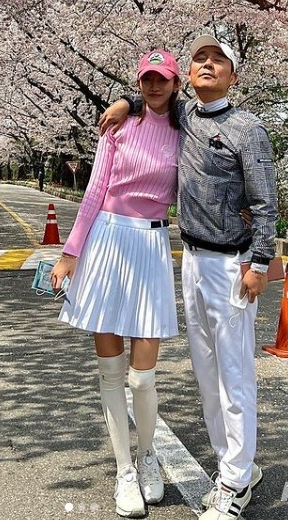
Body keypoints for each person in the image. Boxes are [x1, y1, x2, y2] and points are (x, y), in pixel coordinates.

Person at [100, 35, 277, 520]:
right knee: (206, 373)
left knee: (235, 375)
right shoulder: (185, 117)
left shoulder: (248, 127)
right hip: (191, 259)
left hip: (232, 266)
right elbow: (155, 95)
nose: (207, 65)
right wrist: (125, 102)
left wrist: (260, 263)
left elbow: (264, 202)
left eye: (218, 60)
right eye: (199, 59)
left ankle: (236, 485)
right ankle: (234, 467)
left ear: (233, 76)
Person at [51, 50, 181, 519]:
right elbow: (94, 191)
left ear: (175, 83)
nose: (153, 86)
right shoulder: (117, 127)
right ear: (139, 82)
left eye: (162, 79)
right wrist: (70, 254)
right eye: (146, 79)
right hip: (106, 241)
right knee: (110, 373)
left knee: (142, 376)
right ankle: (125, 469)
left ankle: (149, 457)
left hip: (151, 247)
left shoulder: (184, 132)